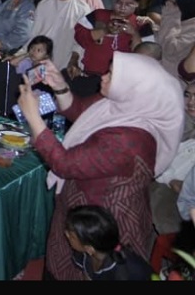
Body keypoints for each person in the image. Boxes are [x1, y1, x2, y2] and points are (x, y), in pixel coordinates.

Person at [16, 51, 184, 281]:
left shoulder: (128, 139)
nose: (102, 77)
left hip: (102, 223)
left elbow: (63, 164)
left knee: (83, 272)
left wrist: (33, 118)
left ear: (134, 89)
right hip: (82, 205)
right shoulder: (123, 106)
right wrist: (60, 86)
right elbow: (82, 111)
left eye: (111, 75)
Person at [68, 0, 152, 97]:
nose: (122, 8)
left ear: (137, 3)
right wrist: (105, 31)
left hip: (123, 84)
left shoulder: (141, 25)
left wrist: (134, 33)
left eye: (129, 4)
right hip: (89, 77)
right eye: (118, 2)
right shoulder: (98, 15)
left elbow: (148, 57)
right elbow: (80, 37)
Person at [148, 80, 195, 241]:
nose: (191, 102)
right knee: (163, 204)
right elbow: (155, 162)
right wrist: (172, 180)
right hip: (163, 182)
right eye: (187, 96)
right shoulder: (173, 121)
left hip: (186, 189)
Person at [64, 204, 156, 281]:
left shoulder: (123, 274)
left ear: (89, 248)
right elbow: (87, 274)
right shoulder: (85, 253)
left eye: (70, 235)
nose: (65, 233)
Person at [27, 0, 92, 72]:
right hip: (40, 56)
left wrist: (74, 59)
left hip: (68, 57)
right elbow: (34, 33)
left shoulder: (82, 9)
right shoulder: (44, 4)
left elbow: (83, 40)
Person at [160, 0, 195, 80]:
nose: (168, 5)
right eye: (167, 1)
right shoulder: (185, 21)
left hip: (176, 85)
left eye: (174, 4)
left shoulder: (193, 28)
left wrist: (170, 16)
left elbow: (170, 49)